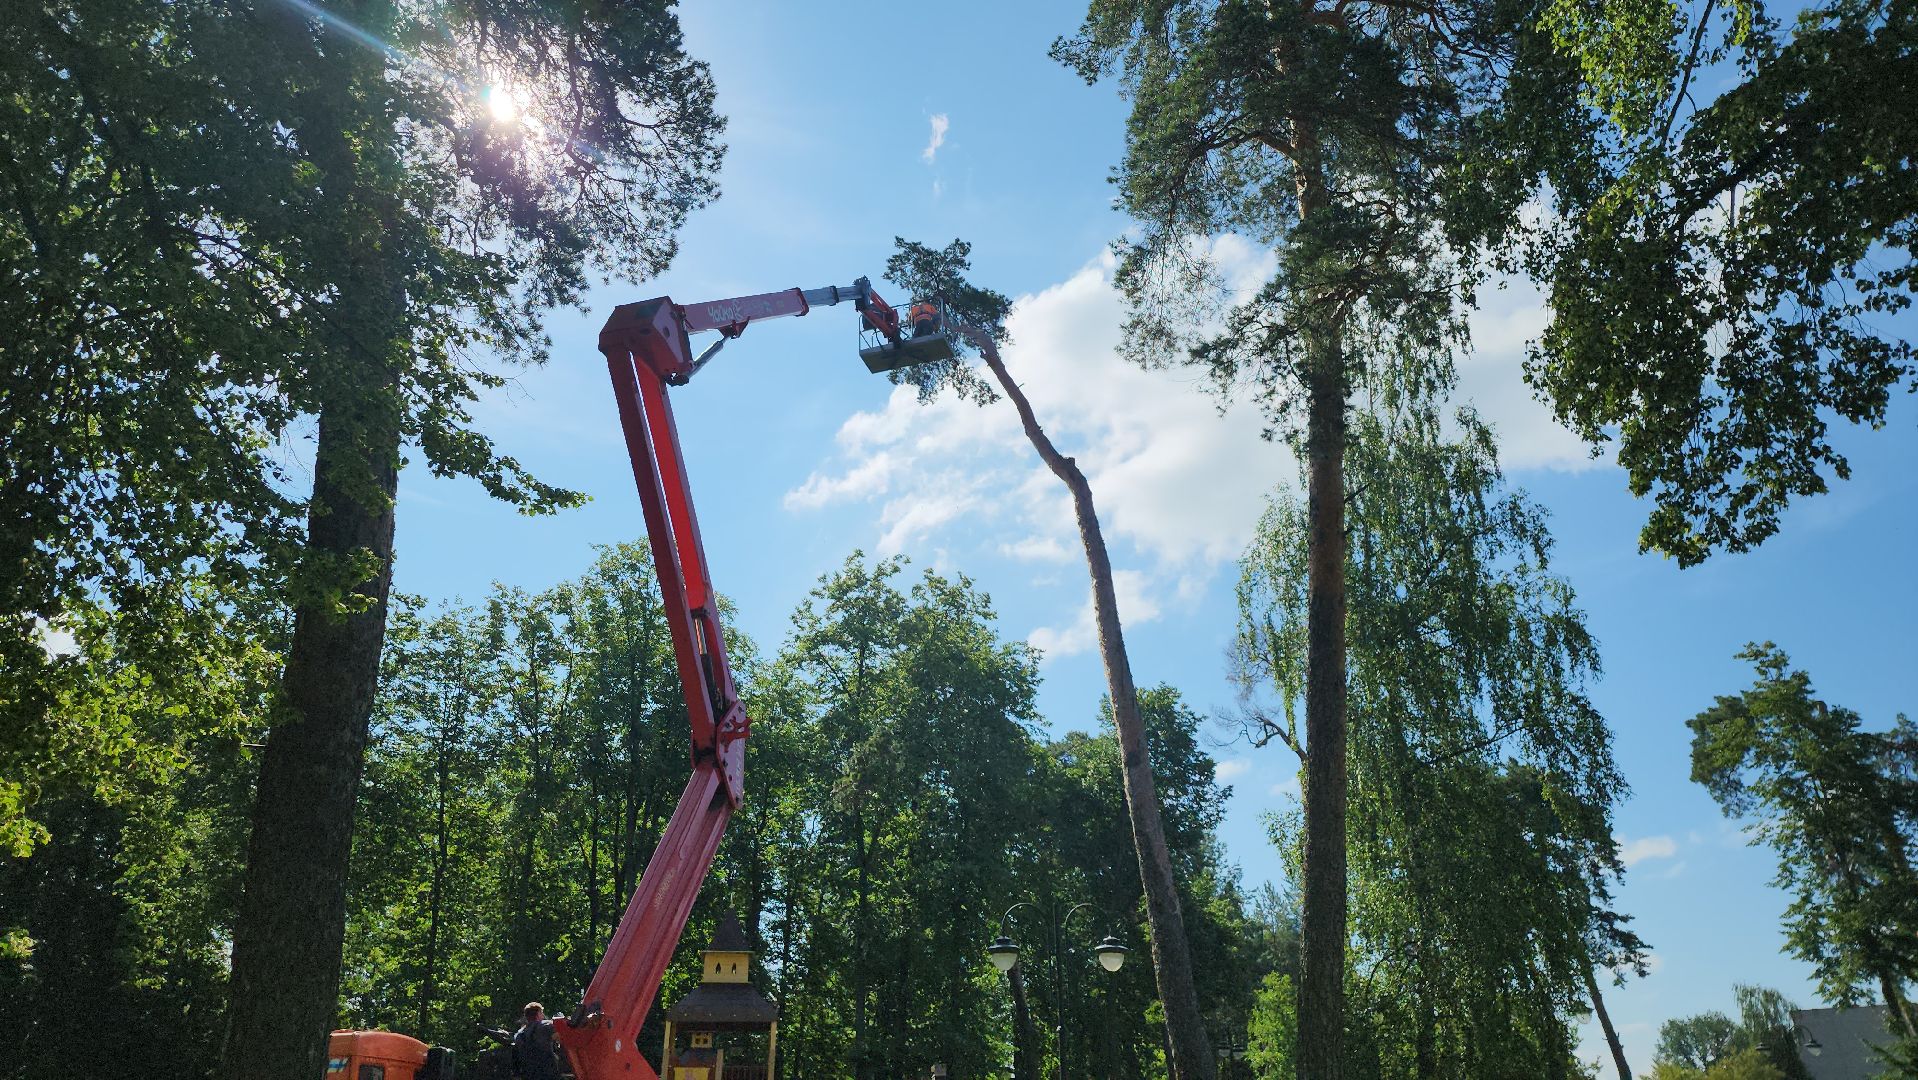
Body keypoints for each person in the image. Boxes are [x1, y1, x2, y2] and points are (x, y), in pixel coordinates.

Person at [478, 1002, 565, 1080]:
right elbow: (562, 1039)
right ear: (538, 1013)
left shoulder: (519, 1034)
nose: (543, 1015)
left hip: (529, 1074)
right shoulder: (546, 1025)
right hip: (548, 1072)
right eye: (542, 1012)